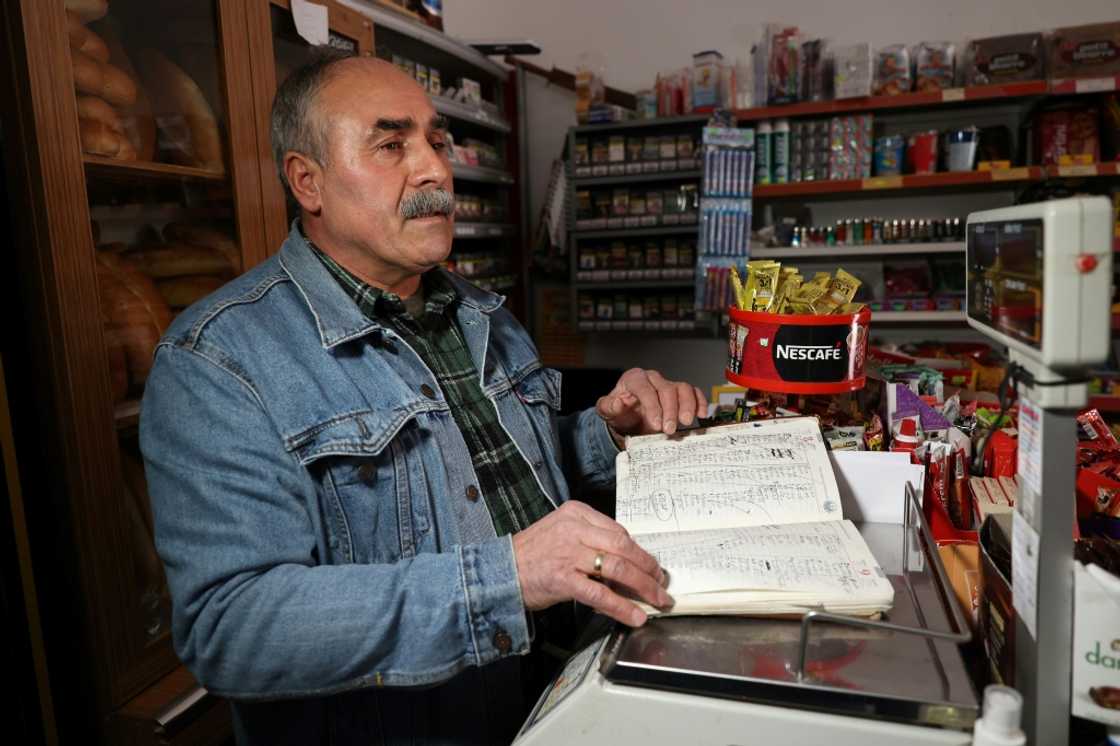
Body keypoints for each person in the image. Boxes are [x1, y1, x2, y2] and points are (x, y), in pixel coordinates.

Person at [140, 48, 706, 746]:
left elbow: (500, 475)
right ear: (307, 182)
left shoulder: (480, 311)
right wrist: (502, 580)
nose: (437, 168)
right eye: (390, 144)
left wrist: (607, 434)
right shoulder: (219, 360)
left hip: (570, 693)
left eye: (437, 140)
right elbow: (232, 626)